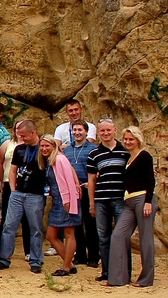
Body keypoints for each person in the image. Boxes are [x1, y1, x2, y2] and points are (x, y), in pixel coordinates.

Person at [0, 120, 46, 274]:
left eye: (24, 136)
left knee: (35, 228)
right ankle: (4, 259)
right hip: (18, 193)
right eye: (19, 136)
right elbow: (12, 170)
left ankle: (35, 260)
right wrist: (13, 189)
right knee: (9, 226)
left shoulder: (43, 149)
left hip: (36, 194)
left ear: (33, 133)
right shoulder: (19, 149)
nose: (22, 139)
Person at [108, 127, 157, 288]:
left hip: (143, 199)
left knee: (145, 239)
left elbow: (150, 179)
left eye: (131, 139)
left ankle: (146, 279)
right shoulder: (129, 158)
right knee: (118, 235)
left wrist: (148, 202)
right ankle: (118, 278)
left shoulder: (144, 156)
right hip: (129, 201)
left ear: (138, 140)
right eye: (126, 139)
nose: (128, 142)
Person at [86, 119, 131, 283]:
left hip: (121, 200)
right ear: (98, 132)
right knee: (103, 238)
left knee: (122, 237)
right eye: (102, 131)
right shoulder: (94, 154)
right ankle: (106, 271)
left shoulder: (125, 151)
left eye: (108, 130)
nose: (105, 133)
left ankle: (125, 272)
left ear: (115, 130)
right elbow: (91, 181)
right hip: (101, 200)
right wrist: (92, 203)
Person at [39, 134, 80, 276]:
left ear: (53, 146)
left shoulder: (60, 159)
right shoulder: (49, 161)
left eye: (47, 146)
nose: (44, 148)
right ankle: (70, 264)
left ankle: (66, 267)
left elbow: (68, 179)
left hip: (66, 200)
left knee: (69, 233)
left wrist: (69, 201)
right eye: (42, 146)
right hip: (57, 201)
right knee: (51, 235)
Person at [64, 120, 99, 268]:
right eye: (75, 130)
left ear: (86, 132)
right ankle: (80, 255)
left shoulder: (94, 149)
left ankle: (93, 256)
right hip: (72, 191)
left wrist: (90, 184)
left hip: (88, 189)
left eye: (80, 130)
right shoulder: (66, 150)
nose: (77, 133)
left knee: (90, 224)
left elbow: (98, 170)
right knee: (76, 224)